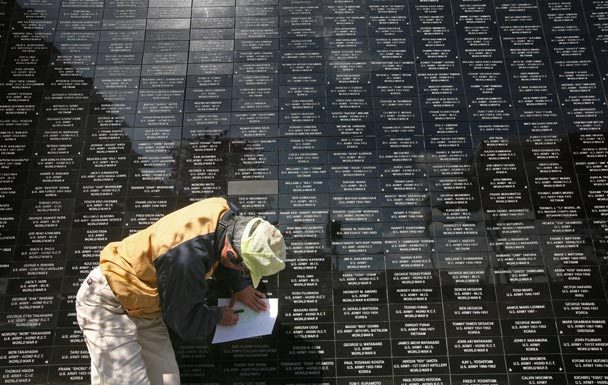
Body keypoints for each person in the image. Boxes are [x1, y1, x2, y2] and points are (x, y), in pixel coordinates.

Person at [75, 197, 286, 385]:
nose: (244, 274)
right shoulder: (185, 260)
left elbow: (218, 247)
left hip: (146, 306)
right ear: (231, 254)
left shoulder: (226, 214)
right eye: (245, 269)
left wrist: (239, 286)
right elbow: (184, 322)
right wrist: (217, 315)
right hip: (110, 302)